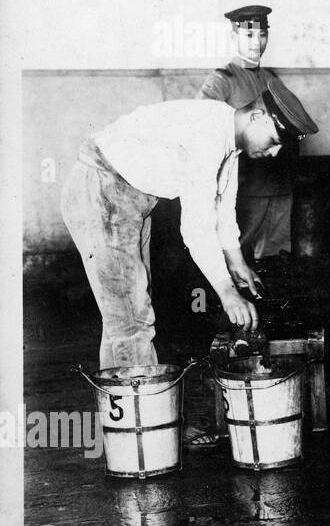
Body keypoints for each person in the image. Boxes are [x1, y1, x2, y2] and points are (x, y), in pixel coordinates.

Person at [61, 88, 315, 370]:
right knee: (132, 319)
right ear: (257, 117)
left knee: (125, 313)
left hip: (131, 198)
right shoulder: (207, 136)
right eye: (275, 141)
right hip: (105, 189)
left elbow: (222, 205)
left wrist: (236, 262)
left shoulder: (226, 131)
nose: (275, 152)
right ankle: (142, 409)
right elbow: (196, 228)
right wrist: (227, 292)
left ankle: (118, 405)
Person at [198, 5, 318, 260]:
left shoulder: (270, 78)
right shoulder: (222, 80)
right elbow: (202, 131)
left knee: (277, 259)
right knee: (235, 256)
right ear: (234, 36)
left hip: (280, 186)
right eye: (249, 35)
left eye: (262, 34)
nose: (257, 42)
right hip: (244, 189)